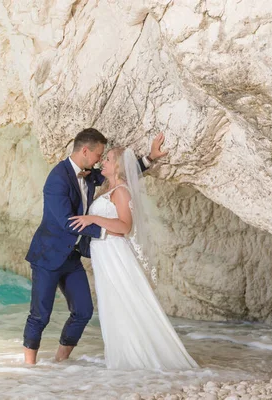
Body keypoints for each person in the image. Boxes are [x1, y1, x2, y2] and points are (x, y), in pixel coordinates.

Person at [23, 128, 168, 365]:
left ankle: (60, 362)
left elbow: (120, 176)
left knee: (83, 311)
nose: (100, 161)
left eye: (104, 158)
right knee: (40, 315)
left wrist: (149, 159)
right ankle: (29, 368)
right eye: (99, 155)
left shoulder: (89, 174)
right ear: (85, 151)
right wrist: (107, 231)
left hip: (71, 256)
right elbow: (68, 222)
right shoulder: (57, 178)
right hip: (47, 255)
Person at [68, 147, 198, 370]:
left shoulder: (121, 191)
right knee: (112, 305)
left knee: (123, 303)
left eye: (108, 160)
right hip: (104, 254)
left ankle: (136, 358)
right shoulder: (110, 188)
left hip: (114, 253)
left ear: (118, 166)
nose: (103, 164)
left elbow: (124, 227)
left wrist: (93, 218)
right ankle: (121, 356)